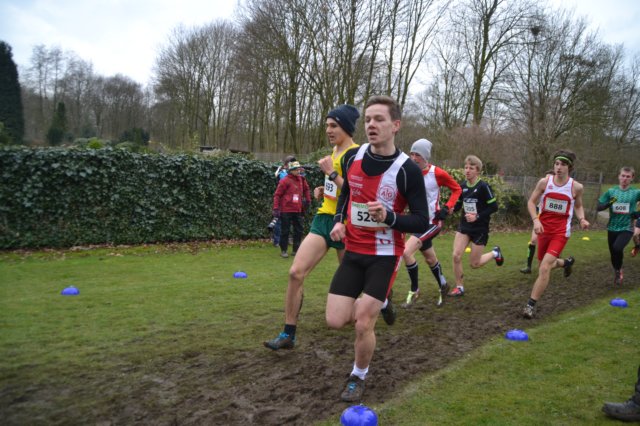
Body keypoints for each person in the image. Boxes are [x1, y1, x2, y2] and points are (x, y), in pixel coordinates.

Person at [325, 95, 429, 402]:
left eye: (379, 119)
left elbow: (421, 220)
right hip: (354, 251)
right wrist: (339, 221)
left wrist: (390, 217)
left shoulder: (407, 169)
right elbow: (347, 194)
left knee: (363, 322)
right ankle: (383, 303)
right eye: (368, 119)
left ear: (395, 125)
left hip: (384, 255)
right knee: (334, 320)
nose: (371, 124)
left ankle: (358, 376)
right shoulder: (352, 158)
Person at [263, 104, 360, 350]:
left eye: (333, 125)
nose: (328, 130)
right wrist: (323, 190)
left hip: (346, 223)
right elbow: (337, 189)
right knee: (296, 273)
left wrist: (330, 174)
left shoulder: (356, 154)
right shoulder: (335, 151)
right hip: (324, 218)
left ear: (347, 127)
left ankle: (382, 300)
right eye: (327, 125)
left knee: (353, 282)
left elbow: (357, 192)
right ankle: (288, 333)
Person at [522, 149, 589, 319]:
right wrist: (536, 220)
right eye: (557, 164)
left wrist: (582, 219)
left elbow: (578, 206)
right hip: (543, 230)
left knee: (545, 268)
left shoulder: (576, 187)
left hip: (561, 233)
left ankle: (530, 305)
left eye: (563, 164)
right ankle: (566, 262)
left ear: (569, 167)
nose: (559, 167)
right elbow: (531, 202)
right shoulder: (544, 182)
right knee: (544, 266)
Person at [401, 138, 461, 308]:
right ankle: (443, 284)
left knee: (406, 252)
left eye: (417, 155)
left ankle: (415, 290)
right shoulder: (409, 173)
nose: (413, 158)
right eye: (411, 154)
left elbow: (457, 189)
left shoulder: (438, 173)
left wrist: (447, 207)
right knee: (430, 259)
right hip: (417, 222)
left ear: (425, 157)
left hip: (432, 222)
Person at [448, 155, 503, 297]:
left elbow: (494, 207)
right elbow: (458, 205)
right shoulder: (462, 186)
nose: (467, 170)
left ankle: (495, 253)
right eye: (466, 167)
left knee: (475, 264)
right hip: (465, 227)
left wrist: (477, 216)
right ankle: (459, 287)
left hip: (480, 229)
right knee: (456, 256)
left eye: (471, 168)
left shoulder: (483, 187)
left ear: (477, 170)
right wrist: (451, 208)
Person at [596, 166, 640, 285]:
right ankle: (617, 270)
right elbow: (598, 207)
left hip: (627, 228)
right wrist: (609, 203)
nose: (625, 179)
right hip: (612, 227)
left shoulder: (636, 193)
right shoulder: (611, 191)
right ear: (619, 176)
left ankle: (619, 270)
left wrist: (637, 214)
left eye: (628, 176)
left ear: (632, 178)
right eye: (623, 176)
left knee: (617, 248)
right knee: (613, 253)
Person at [272, 161, 310, 258]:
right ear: (291, 170)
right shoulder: (284, 181)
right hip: (286, 210)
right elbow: (277, 195)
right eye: (296, 169)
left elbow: (306, 189)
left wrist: (308, 200)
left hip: (298, 209)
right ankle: (283, 250)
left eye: (299, 169)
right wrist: (276, 208)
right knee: (285, 231)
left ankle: (295, 250)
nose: (298, 171)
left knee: (299, 230)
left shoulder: (302, 179)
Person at [520, 170, 555, 274]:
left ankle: (564, 262)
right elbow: (532, 201)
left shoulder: (557, 192)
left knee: (550, 246)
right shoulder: (542, 189)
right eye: (545, 178)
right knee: (533, 240)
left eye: (549, 179)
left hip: (553, 222)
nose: (546, 180)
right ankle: (528, 266)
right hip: (540, 218)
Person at [271, 155, 297, 247]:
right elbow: (285, 181)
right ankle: (277, 241)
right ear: (286, 164)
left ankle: (286, 239)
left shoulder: (295, 174)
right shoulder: (282, 173)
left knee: (288, 222)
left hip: (290, 202)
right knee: (279, 221)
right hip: (281, 201)